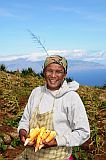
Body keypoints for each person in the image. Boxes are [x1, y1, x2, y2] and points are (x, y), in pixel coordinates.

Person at [16, 55, 90, 160]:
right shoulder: (36, 92)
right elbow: (25, 119)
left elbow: (83, 132)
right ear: (44, 72)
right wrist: (22, 130)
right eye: (49, 71)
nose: (53, 75)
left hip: (58, 157)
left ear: (65, 74)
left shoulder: (71, 97)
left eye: (58, 72)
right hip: (30, 155)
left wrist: (57, 141)